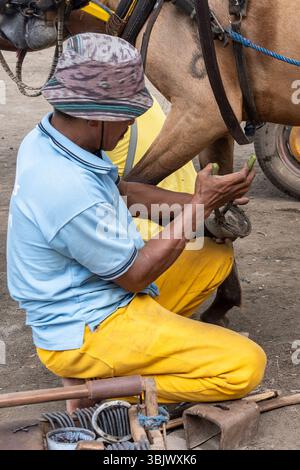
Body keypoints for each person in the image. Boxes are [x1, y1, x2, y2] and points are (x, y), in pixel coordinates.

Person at [7, 33, 266, 404]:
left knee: (214, 259)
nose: (130, 125)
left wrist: (198, 200)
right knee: (244, 365)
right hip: (84, 328)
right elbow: (136, 276)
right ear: (96, 115)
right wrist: (199, 208)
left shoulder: (52, 138)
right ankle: (100, 387)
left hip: (98, 291)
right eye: (127, 116)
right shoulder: (65, 187)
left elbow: (123, 192)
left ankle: (128, 357)